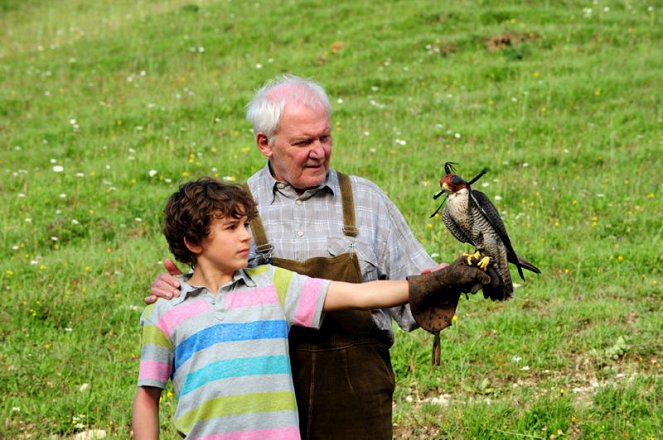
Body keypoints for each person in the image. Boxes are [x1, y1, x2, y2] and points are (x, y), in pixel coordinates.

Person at [147, 75, 451, 439]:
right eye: (303, 141)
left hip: (356, 402)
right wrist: (173, 285)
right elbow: (207, 291)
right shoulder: (235, 212)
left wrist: (446, 280)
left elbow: (418, 289)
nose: (319, 151)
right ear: (265, 143)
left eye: (325, 137)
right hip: (263, 410)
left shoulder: (367, 200)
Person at [133, 178, 488, 439]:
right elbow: (147, 395)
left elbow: (359, 295)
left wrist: (433, 283)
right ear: (193, 241)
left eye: (245, 225)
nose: (246, 236)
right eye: (231, 228)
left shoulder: (271, 284)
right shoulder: (164, 311)